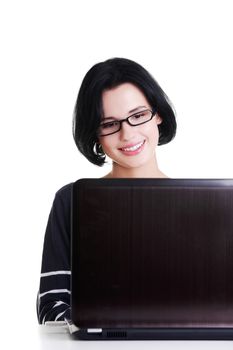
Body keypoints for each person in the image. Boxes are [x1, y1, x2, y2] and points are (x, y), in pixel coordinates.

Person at [37, 57, 177, 324]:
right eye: (110, 124)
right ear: (95, 135)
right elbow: (51, 306)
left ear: (157, 114)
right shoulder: (72, 201)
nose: (127, 134)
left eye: (137, 115)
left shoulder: (207, 206)